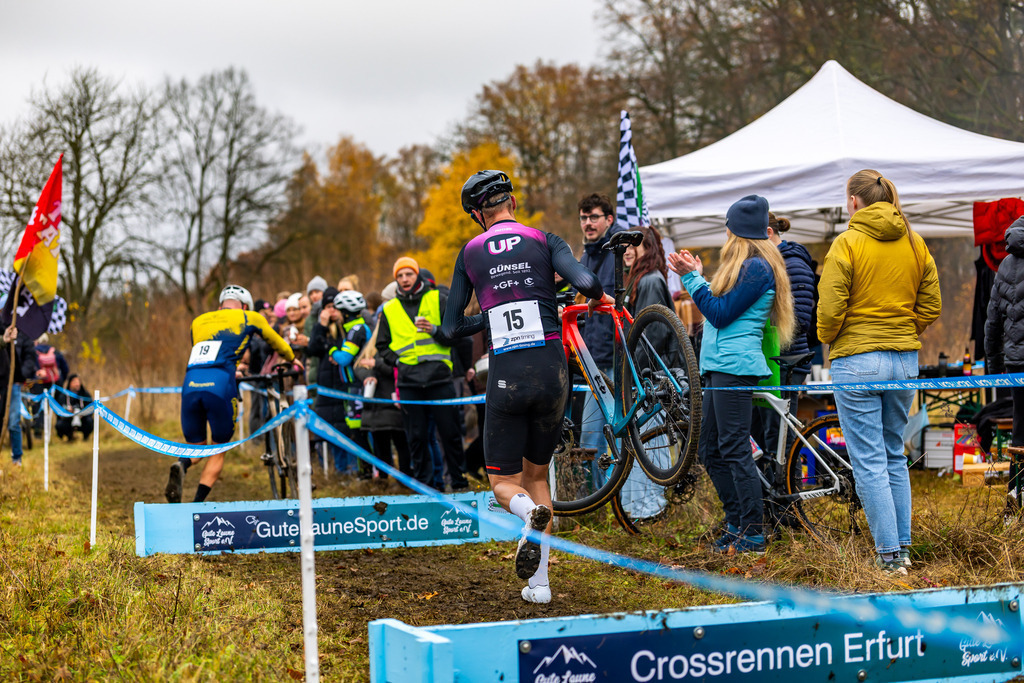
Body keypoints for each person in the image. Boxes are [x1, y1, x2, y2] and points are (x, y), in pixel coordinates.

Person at [440, 170, 608, 604]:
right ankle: (541, 585)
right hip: (553, 371)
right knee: (537, 476)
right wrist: (546, 300)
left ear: (478, 213)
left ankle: (524, 515)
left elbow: (451, 327)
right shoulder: (544, 238)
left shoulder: (470, 251)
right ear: (511, 201)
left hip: (508, 374)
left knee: (503, 483)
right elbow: (588, 283)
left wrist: (495, 316)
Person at [818, 171, 941, 574]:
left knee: (869, 460)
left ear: (854, 201)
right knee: (893, 455)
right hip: (905, 359)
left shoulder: (847, 243)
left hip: (857, 360)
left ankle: (889, 558)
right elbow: (932, 303)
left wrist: (828, 336)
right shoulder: (914, 241)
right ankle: (901, 550)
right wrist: (906, 329)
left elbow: (830, 312)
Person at [667, 195, 796, 555]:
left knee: (735, 449)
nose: (725, 238)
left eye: (727, 231)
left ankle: (753, 532)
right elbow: (723, 307)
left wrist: (692, 279)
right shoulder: (748, 268)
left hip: (734, 369)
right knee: (709, 449)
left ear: (737, 234)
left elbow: (720, 314)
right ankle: (737, 523)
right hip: (720, 368)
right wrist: (697, 276)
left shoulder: (756, 268)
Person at [166, 284, 300, 504]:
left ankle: (181, 465)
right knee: (219, 448)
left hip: (190, 385)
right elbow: (274, 340)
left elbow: (209, 351)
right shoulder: (250, 317)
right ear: (245, 305)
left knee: (197, 446)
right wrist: (292, 358)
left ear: (221, 304)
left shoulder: (198, 321)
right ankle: (196, 504)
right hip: (220, 386)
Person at [376, 257, 470, 492]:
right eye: (400, 275)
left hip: (439, 378)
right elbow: (381, 346)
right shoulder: (389, 308)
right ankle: (426, 489)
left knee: (450, 434)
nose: (404, 279)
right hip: (409, 382)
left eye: (409, 274)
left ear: (417, 275)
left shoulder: (438, 299)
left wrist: (436, 331)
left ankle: (459, 484)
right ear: (395, 279)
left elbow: (458, 335)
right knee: (416, 438)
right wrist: (398, 361)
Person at [576, 193, 624, 474]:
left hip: (618, 357)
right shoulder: (587, 254)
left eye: (594, 217)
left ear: (609, 219)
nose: (588, 223)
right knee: (590, 440)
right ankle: (599, 502)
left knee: (619, 435)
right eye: (583, 218)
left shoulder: (620, 250)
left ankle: (618, 500)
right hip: (593, 357)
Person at [310, 290, 373, 477]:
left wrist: (332, 351)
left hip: (357, 385)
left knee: (360, 431)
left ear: (345, 312)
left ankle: (368, 472)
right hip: (353, 386)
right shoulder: (354, 328)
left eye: (337, 309)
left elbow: (344, 358)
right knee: (356, 429)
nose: (334, 313)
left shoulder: (356, 330)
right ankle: (367, 472)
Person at [986, 215, 1024, 513]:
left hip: (1015, 362)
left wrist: (993, 363)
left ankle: (1013, 508)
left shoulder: (1006, 265)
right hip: (1015, 361)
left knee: (1020, 432)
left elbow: (993, 320)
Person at [0, 324, 38, 466]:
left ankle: (17, 458)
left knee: (14, 421)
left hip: (15, 384)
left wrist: (22, 374)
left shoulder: (23, 333)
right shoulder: (1, 328)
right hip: (1, 382)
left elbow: (30, 357)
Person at [55, 373, 93, 441]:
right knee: (59, 424)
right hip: (68, 419)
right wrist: (68, 412)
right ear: (70, 383)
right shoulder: (63, 395)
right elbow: (59, 410)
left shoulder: (85, 394)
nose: (77, 384)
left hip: (82, 418)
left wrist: (83, 412)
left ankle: (86, 437)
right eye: (75, 382)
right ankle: (69, 436)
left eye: (78, 382)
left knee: (89, 421)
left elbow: (91, 407)